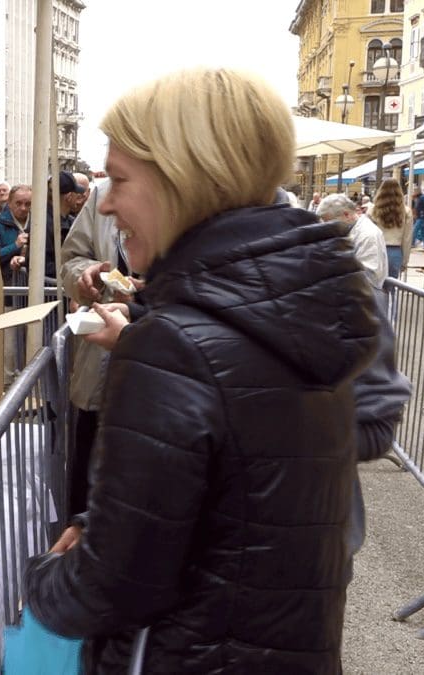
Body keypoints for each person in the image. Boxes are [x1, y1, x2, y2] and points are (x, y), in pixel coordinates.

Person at [24, 68, 381, 673]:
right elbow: (244, 497)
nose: (105, 203)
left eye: (118, 180)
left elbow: (107, 589)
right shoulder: (303, 314)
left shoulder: (173, 344)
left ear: (180, 179)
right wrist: (112, 519)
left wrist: (42, 575)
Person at [56, 178, 128, 518]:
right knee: (87, 496)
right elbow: (71, 260)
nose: (107, 207)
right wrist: (86, 273)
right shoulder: (104, 192)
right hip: (99, 376)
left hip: (162, 386)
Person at [316, 193, 389, 289]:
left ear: (346, 214)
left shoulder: (368, 235)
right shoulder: (348, 231)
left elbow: (370, 277)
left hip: (362, 298)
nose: (327, 228)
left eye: (329, 223)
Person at [0, 184, 32, 283]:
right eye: (18, 203)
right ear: (9, 203)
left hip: (34, 284)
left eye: (28, 204)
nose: (23, 208)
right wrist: (15, 246)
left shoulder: (39, 223)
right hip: (7, 284)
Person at [371, 179, 410, 280]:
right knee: (391, 287)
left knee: (374, 287)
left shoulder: (372, 211)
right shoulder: (406, 212)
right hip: (394, 251)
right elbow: (407, 239)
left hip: (376, 250)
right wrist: (405, 260)